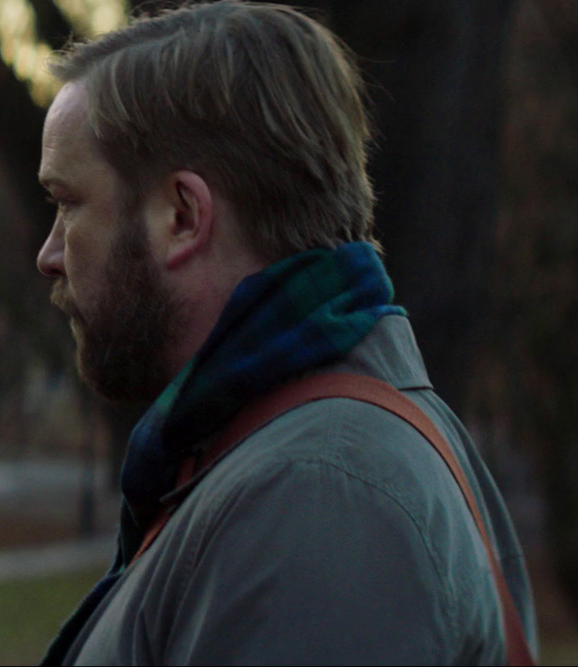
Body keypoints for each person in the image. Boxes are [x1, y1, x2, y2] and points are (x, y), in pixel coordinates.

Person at [32, 2, 535, 664]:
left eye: (69, 204)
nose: (49, 253)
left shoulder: (325, 495)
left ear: (182, 216)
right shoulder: (304, 463)